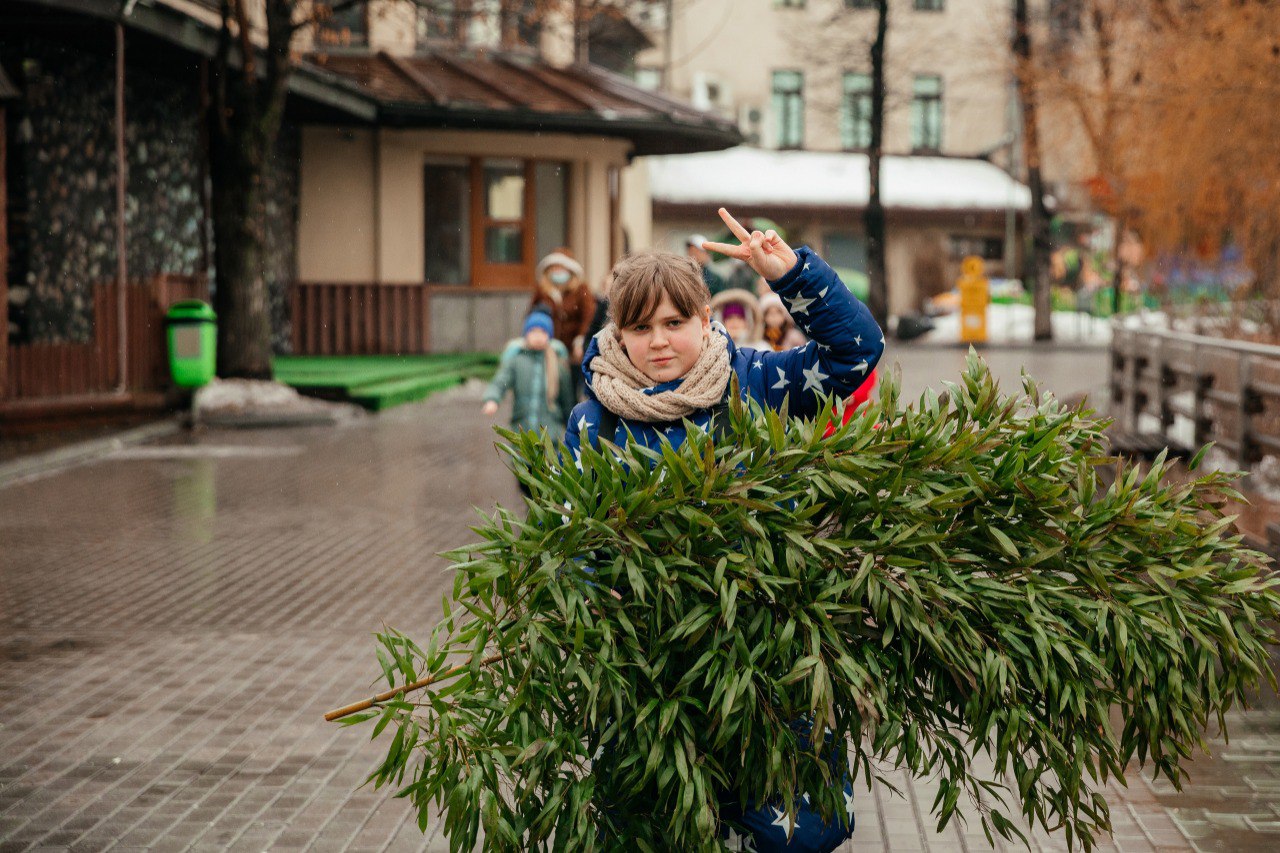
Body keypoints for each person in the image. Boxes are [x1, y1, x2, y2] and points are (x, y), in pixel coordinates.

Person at [565, 208, 884, 851]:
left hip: (766, 655)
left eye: (675, 323)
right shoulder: (594, 421)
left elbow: (856, 354)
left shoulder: (754, 384)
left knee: (790, 828)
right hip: (657, 674)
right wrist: (598, 599)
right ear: (617, 333)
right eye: (640, 327)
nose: (659, 341)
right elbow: (580, 537)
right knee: (664, 824)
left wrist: (791, 275)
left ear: (705, 319)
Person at [482, 310, 576, 469]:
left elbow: (568, 401)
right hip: (522, 434)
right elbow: (501, 381)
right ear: (526, 334)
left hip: (550, 438)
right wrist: (493, 398)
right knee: (525, 478)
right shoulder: (516, 361)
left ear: (549, 336)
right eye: (533, 331)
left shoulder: (558, 366)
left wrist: (573, 429)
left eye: (543, 332)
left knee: (548, 480)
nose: (538, 336)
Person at [531, 249, 596, 401]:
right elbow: (532, 315)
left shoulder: (580, 290)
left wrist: (581, 339)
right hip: (547, 347)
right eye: (554, 268)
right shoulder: (542, 291)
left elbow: (588, 317)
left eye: (561, 268)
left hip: (573, 350)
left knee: (570, 387)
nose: (557, 272)